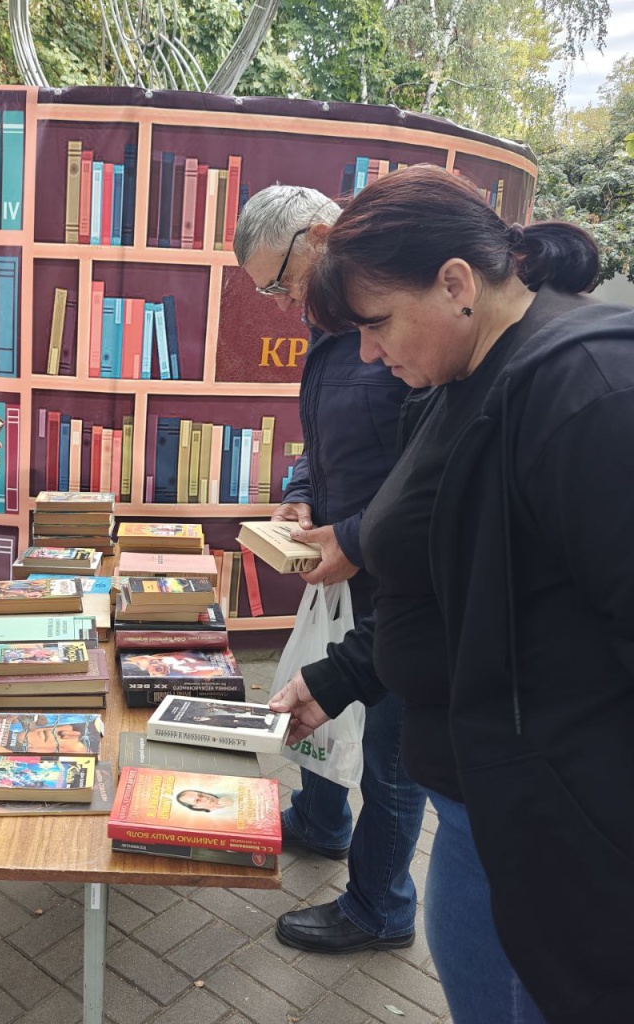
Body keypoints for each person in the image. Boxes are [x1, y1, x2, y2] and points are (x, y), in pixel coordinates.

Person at [272, 164, 634, 1023]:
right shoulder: (457, 381)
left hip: (566, 827)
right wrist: (341, 677)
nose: (368, 352)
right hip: (475, 801)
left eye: (377, 324)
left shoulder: (588, 393)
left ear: (456, 283)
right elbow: (440, 572)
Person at [233, 184, 426, 953]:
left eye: (281, 281)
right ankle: (319, 822)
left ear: (319, 235)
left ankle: (380, 908)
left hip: (404, 579)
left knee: (392, 755)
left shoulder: (395, 328)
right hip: (342, 566)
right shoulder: (335, 328)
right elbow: (324, 440)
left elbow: (426, 470)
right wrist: (303, 497)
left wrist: (352, 531)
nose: (283, 302)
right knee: (319, 694)